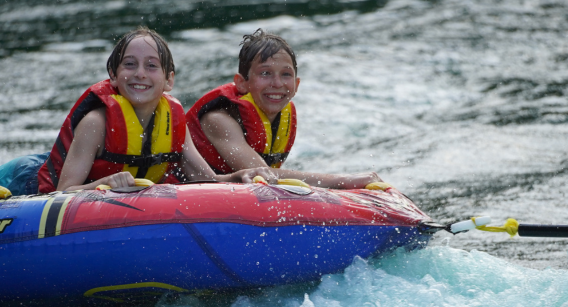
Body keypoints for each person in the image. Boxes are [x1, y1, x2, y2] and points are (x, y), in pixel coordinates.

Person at [0, 27, 276, 196]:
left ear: (169, 80)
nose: (140, 74)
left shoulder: (174, 122)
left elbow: (207, 181)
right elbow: (63, 192)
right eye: (129, 65)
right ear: (114, 76)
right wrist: (106, 183)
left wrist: (239, 176)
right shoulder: (96, 122)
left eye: (152, 66)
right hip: (24, 179)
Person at [186, 29, 382, 189]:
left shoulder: (280, 119)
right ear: (242, 83)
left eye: (286, 74)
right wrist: (344, 181)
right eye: (265, 73)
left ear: (296, 85)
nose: (277, 83)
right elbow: (263, 173)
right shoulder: (218, 120)